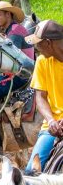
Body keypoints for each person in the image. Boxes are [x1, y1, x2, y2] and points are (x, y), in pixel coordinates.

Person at [0, 1, 35, 151]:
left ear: (8, 14)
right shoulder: (11, 30)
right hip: (16, 73)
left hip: (21, 75)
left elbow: (10, 61)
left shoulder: (14, 33)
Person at [24, 20, 63, 173]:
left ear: (48, 43)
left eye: (37, 44)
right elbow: (40, 97)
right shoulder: (41, 62)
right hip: (51, 127)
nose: (35, 48)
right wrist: (51, 120)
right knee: (30, 172)